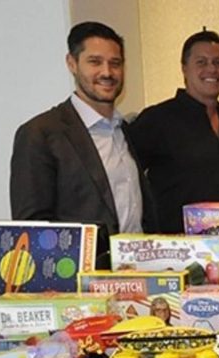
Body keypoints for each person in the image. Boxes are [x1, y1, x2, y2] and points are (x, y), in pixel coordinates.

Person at [10, 21, 151, 237]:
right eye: (95, 62)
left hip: (138, 257)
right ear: (72, 63)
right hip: (81, 260)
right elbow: (31, 229)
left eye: (115, 63)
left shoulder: (125, 130)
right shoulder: (40, 134)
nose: (107, 72)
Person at [126, 30, 219, 234]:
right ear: (184, 68)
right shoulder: (158, 119)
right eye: (201, 62)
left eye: (218, 62)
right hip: (173, 246)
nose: (211, 69)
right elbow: (126, 179)